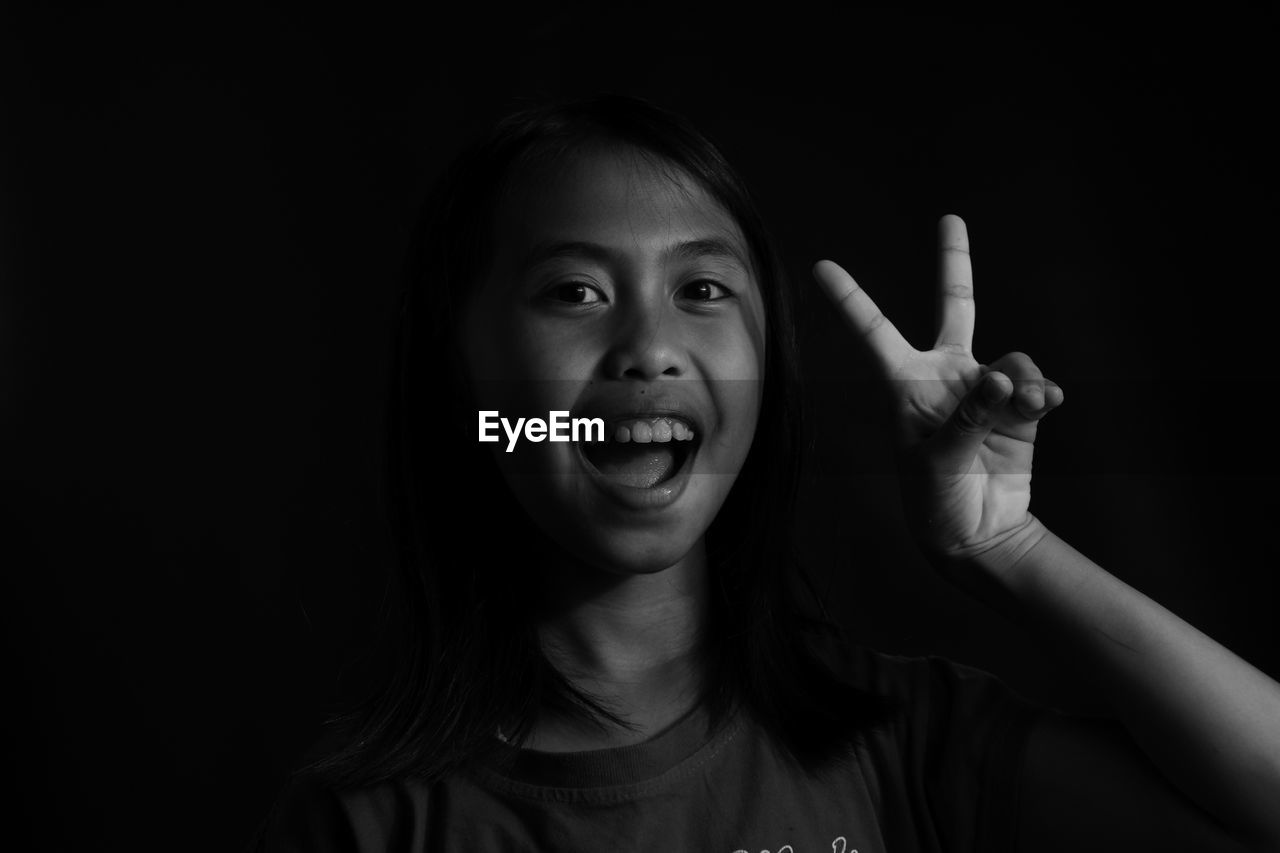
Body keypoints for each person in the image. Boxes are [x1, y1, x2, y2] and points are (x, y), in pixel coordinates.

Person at [249, 94, 1280, 851]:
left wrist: (1002, 546)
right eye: (571, 292)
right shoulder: (366, 821)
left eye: (701, 287)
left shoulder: (896, 742)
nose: (648, 346)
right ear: (463, 383)